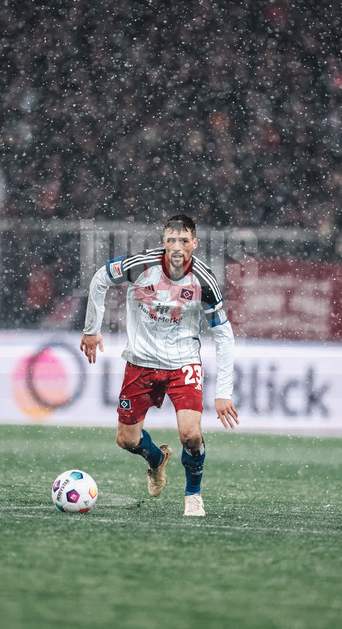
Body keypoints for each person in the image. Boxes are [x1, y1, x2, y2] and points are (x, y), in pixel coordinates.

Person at [80, 214, 237, 517]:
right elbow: (100, 278)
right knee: (126, 440)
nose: (177, 246)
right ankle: (156, 460)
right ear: (163, 242)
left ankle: (193, 494)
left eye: (184, 240)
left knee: (190, 435)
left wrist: (224, 391)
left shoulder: (204, 281)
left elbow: (224, 335)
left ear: (195, 243)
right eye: (171, 240)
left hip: (183, 362)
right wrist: (91, 328)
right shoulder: (140, 265)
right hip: (140, 361)